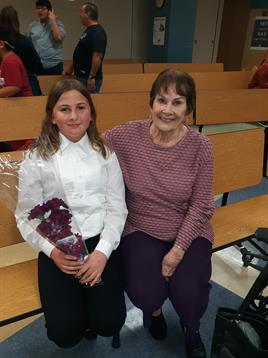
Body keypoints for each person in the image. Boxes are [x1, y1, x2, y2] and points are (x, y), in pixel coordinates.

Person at [105, 69, 215, 358]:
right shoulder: (126, 135)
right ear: (151, 103)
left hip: (189, 229)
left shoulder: (201, 147)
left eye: (177, 102)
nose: (167, 110)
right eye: (161, 100)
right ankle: (153, 313)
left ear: (189, 109)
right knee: (144, 290)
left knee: (188, 293)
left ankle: (191, 330)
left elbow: (202, 205)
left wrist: (176, 252)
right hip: (141, 226)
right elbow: (89, 144)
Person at [15, 78, 128, 348]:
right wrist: (51, 250)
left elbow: (116, 206)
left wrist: (102, 252)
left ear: (91, 113)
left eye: (81, 107)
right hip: (58, 247)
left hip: (99, 242)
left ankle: (91, 313)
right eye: (64, 109)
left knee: (110, 322)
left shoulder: (105, 153)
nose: (74, 116)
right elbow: (25, 214)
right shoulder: (37, 158)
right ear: (52, 117)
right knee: (64, 335)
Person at [0, 5, 43, 95]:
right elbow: (38, 65)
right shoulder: (24, 40)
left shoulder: (10, 59)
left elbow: (15, 87)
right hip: (26, 81)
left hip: (20, 92)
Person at [65, 2, 107, 93]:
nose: (80, 15)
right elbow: (82, 51)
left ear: (87, 14)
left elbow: (98, 55)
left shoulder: (98, 32)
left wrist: (91, 77)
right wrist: (71, 67)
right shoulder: (89, 30)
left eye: (81, 12)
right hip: (81, 77)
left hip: (87, 78)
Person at [28, 0, 66, 75]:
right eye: (38, 8)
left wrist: (53, 20)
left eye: (43, 8)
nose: (40, 11)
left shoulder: (58, 24)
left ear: (49, 10)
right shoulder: (32, 26)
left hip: (54, 65)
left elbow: (58, 38)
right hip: (37, 65)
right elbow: (29, 45)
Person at [0, 26, 32, 97]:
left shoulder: (11, 61)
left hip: (22, 105)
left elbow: (14, 88)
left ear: (1, 44)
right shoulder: (5, 60)